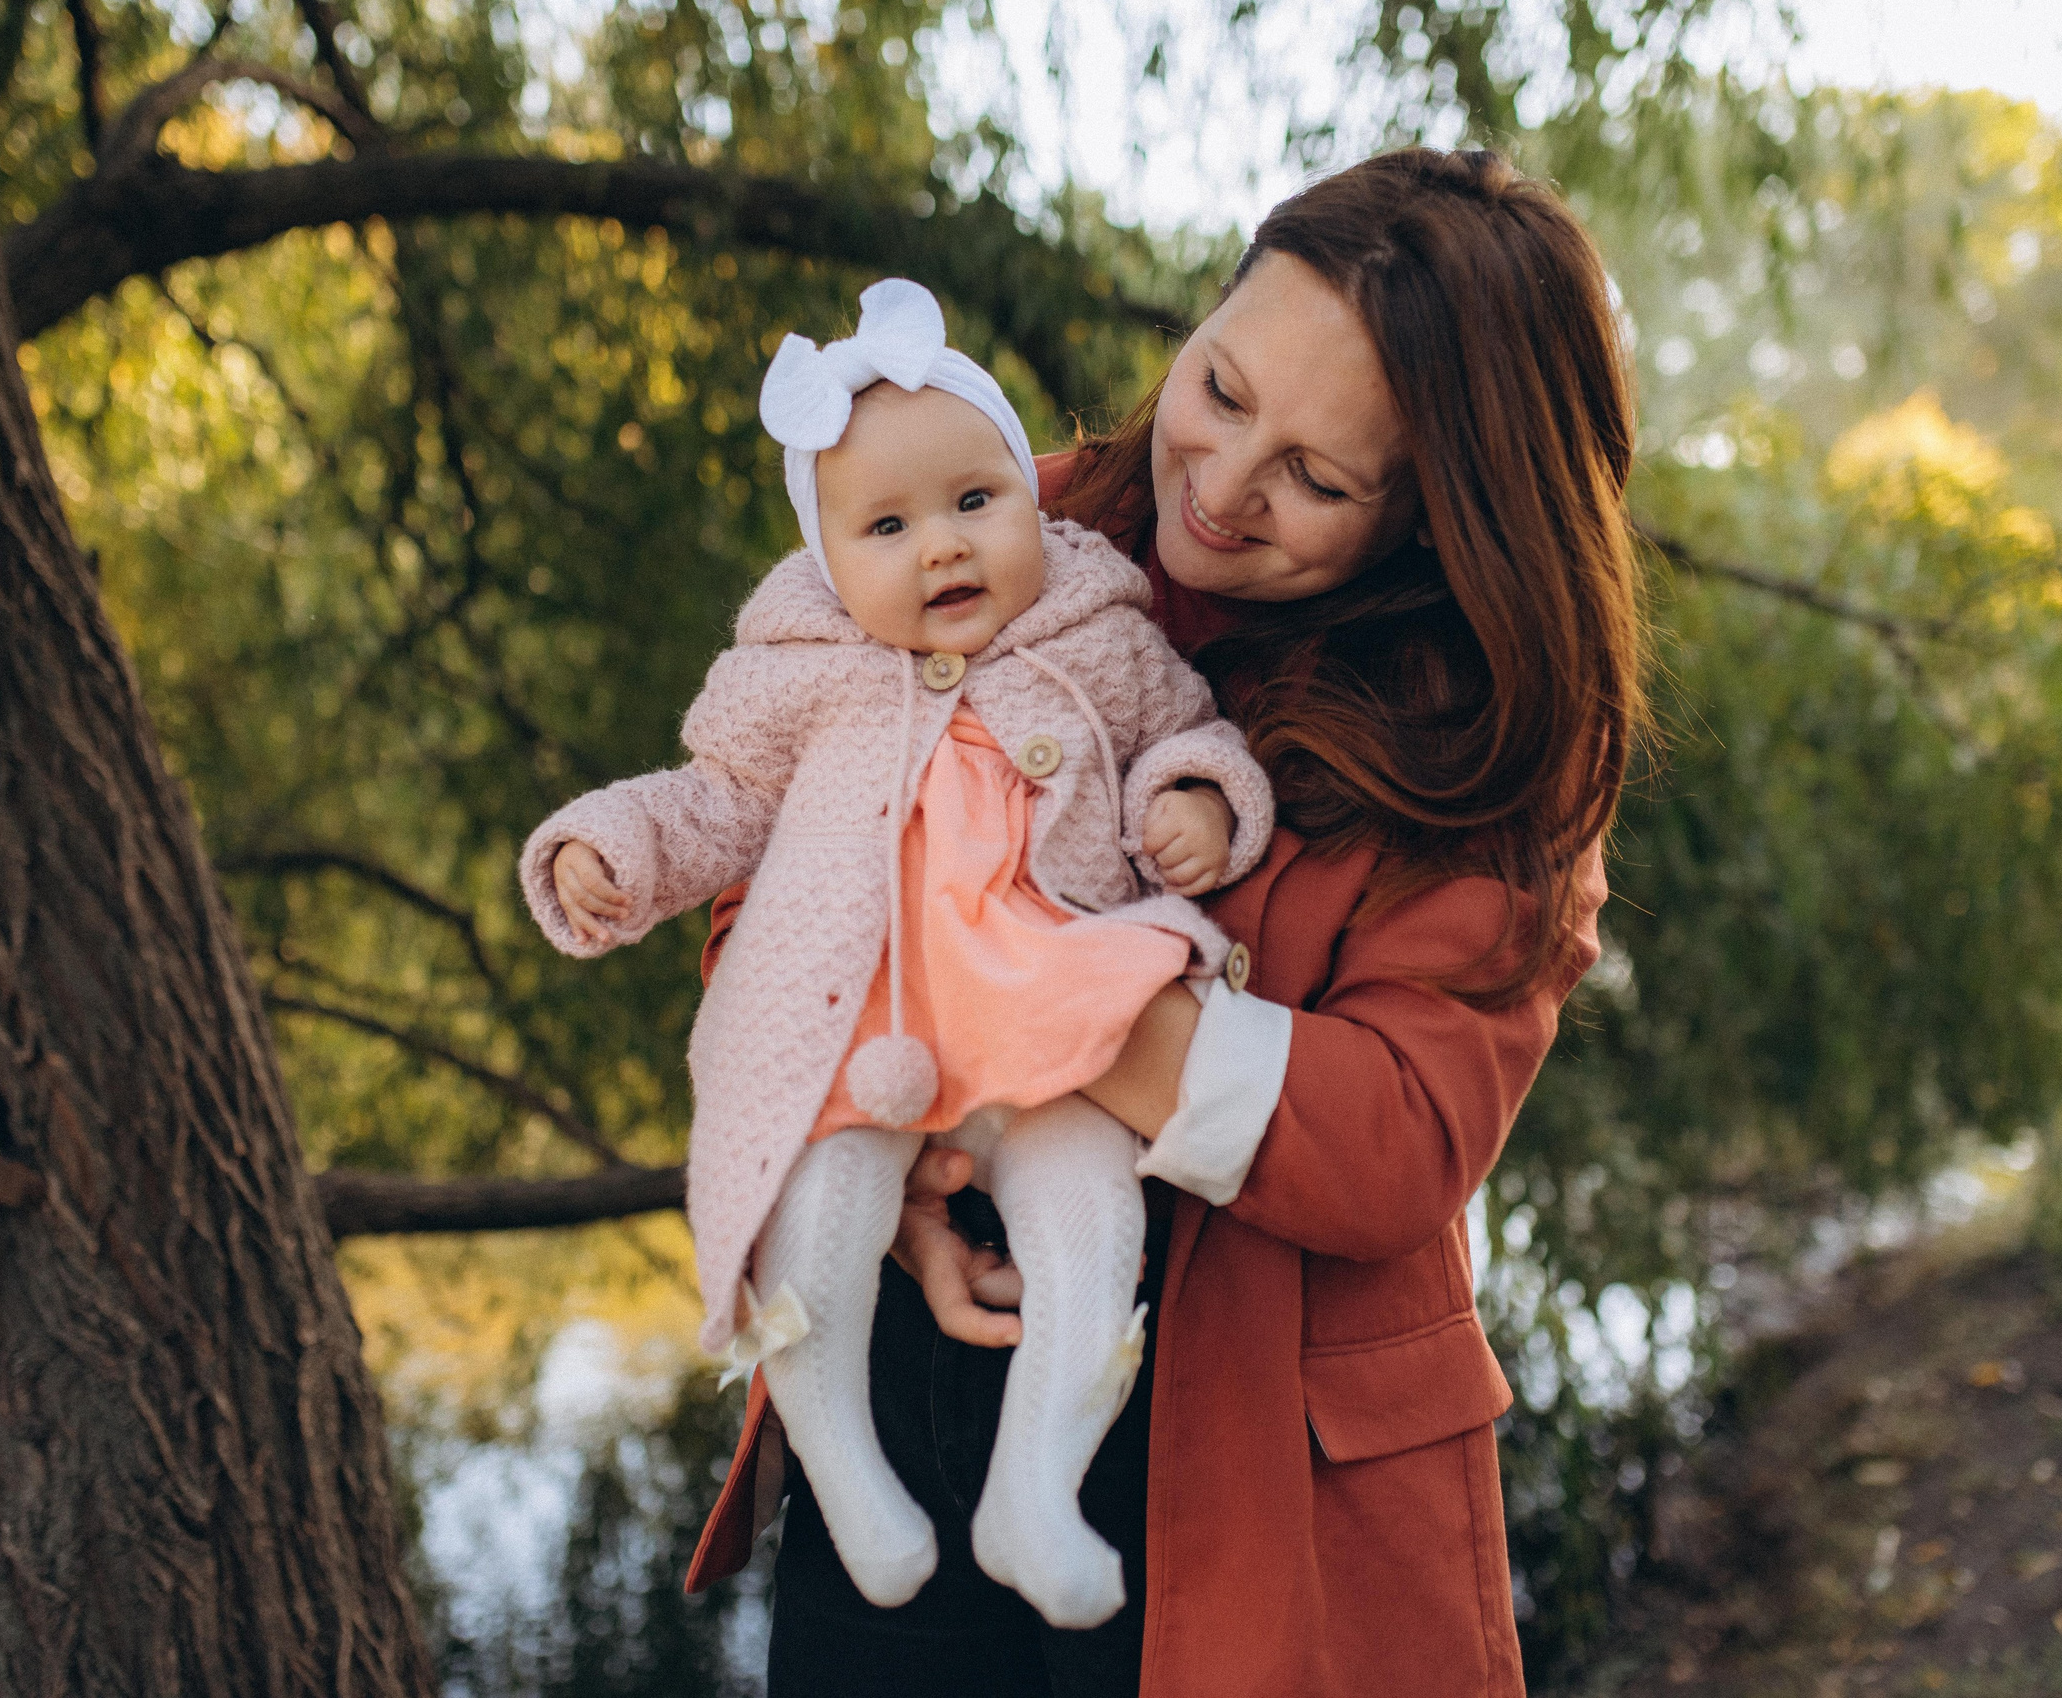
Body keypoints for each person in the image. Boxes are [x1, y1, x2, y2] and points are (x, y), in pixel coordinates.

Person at [683, 147, 1646, 1698]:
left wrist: (1037, 990)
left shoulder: (1497, 738)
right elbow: (764, 839)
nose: (1221, 483)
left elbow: (1399, 1134)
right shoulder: (1010, 515)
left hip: (1247, 1435)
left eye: (1316, 478)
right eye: (1221, 387)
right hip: (917, 1354)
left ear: (1436, 516)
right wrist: (893, 1156)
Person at [517, 280, 1278, 1631]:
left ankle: (1036, 1485)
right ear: (828, 560)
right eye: (887, 526)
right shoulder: (801, 674)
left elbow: (1189, 730)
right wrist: (611, 846)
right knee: (818, 1220)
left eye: (976, 501)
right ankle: (840, 1457)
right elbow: (714, 805)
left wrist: (1201, 799)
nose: (943, 547)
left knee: (1095, 1228)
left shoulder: (1102, 638)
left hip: (1056, 1033)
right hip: (863, 1031)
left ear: (1029, 500)